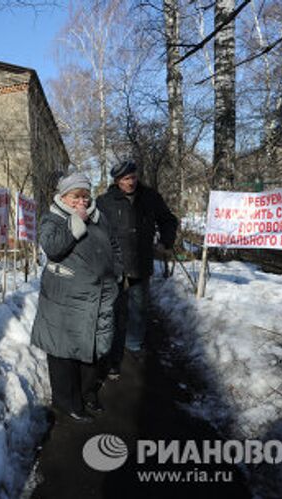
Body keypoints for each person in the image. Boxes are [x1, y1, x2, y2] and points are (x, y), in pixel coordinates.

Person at [31, 172, 123, 423]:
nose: (81, 201)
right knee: (64, 353)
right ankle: (67, 403)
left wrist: (117, 269)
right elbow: (51, 247)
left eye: (84, 195)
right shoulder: (54, 218)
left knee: (91, 350)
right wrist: (76, 222)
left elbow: (113, 246)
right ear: (63, 197)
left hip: (98, 295)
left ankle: (87, 394)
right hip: (65, 300)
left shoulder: (99, 217)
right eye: (75, 196)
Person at [96, 160, 178, 374]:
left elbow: (168, 220)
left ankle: (133, 345)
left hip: (140, 264)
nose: (131, 182)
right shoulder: (104, 202)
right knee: (113, 310)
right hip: (114, 267)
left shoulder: (150, 197)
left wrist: (165, 242)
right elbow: (94, 230)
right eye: (125, 179)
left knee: (139, 308)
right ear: (116, 181)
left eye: (133, 176)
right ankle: (110, 352)